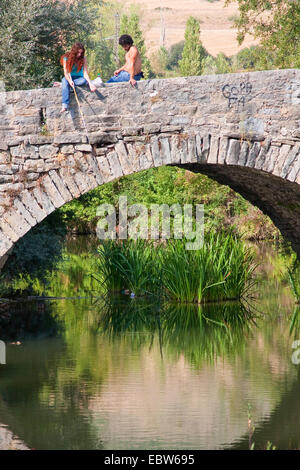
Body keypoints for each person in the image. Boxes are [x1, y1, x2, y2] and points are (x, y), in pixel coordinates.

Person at [60, 42, 96, 113]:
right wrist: (70, 81)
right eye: (78, 53)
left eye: (81, 53)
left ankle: (65, 86)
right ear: (74, 52)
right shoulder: (66, 58)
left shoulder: (83, 58)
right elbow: (66, 72)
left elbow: (85, 72)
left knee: (84, 81)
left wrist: (90, 83)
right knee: (64, 81)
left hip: (79, 78)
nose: (79, 55)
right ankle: (64, 105)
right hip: (69, 78)